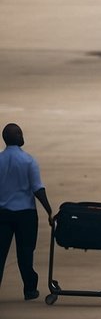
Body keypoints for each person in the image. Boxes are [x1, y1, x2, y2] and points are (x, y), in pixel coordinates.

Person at [0, 123, 53, 302]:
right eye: (20, 133)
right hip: (25, 215)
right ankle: (30, 289)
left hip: (3, 214)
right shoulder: (28, 161)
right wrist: (49, 210)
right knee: (25, 253)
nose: (23, 135)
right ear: (17, 137)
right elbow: (37, 189)